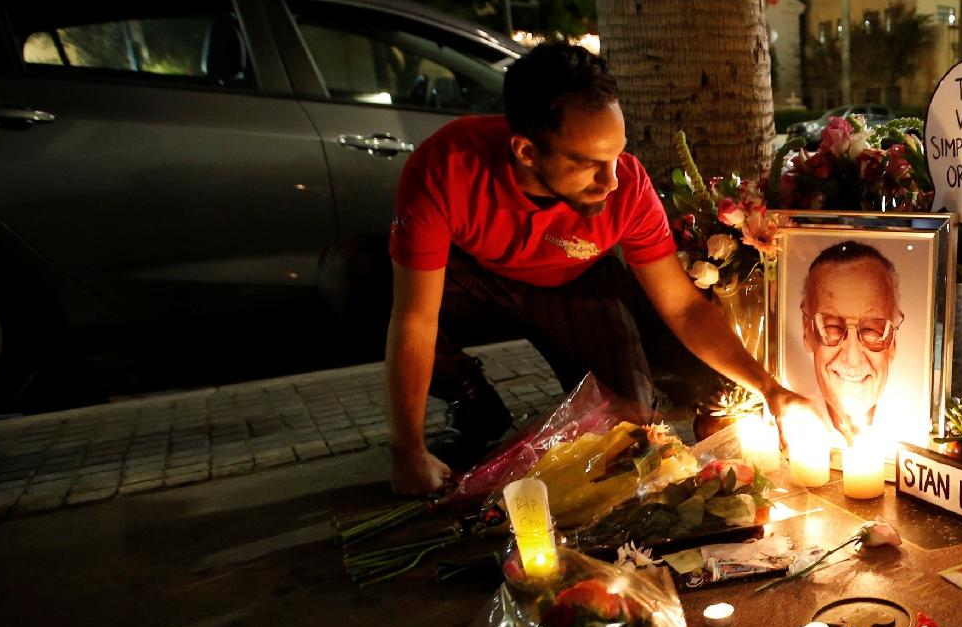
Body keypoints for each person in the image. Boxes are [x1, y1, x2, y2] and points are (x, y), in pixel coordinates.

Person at [322, 42, 820, 496]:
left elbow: (685, 307)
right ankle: (473, 401)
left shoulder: (626, 184)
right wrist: (405, 451)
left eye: (618, 155)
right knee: (359, 277)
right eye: (588, 163)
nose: (611, 180)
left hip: (573, 288)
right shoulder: (448, 166)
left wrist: (772, 390)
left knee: (630, 432)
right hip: (476, 283)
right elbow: (415, 318)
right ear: (526, 150)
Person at [799, 240, 903, 444]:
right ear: (807, 332)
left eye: (872, 329)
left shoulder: (914, 429)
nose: (853, 360)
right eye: (830, 327)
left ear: (892, 341)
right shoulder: (796, 429)